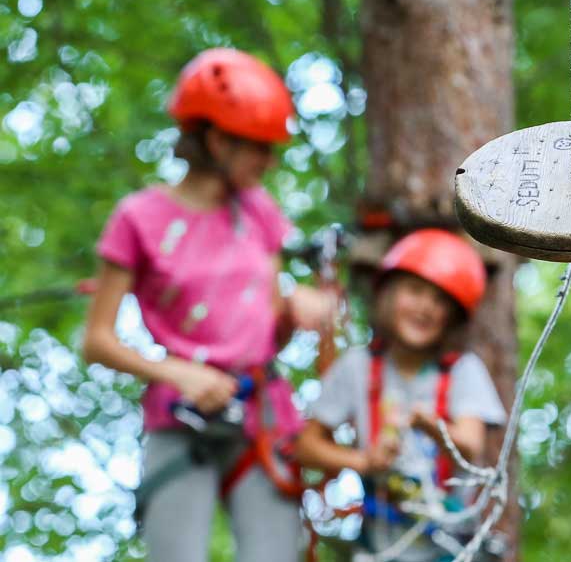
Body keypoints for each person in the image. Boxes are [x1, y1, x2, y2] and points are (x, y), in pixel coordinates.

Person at [82, 48, 333, 562]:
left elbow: (268, 327)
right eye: (259, 147)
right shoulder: (139, 219)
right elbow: (97, 341)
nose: (269, 161)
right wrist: (177, 373)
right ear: (217, 140)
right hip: (182, 417)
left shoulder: (259, 211)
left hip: (260, 414)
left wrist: (295, 311)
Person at [296, 229, 506, 562]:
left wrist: (431, 425)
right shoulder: (357, 367)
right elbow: (306, 446)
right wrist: (364, 461)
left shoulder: (464, 371)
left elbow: (470, 443)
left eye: (440, 300)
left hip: (449, 546)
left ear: (452, 317)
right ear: (388, 295)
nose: (426, 307)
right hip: (379, 544)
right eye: (415, 290)